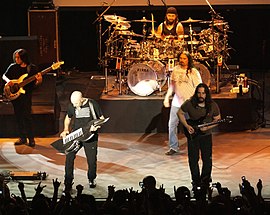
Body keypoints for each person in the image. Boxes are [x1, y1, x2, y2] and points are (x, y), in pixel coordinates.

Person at [177, 83, 221, 190]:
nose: (201, 95)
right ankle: (196, 182)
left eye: (203, 93)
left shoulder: (212, 105)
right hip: (193, 136)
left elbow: (218, 119)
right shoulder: (190, 103)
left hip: (206, 136)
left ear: (207, 94)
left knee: (207, 159)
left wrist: (208, 128)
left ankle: (205, 181)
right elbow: (180, 113)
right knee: (193, 159)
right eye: (199, 93)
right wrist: (187, 126)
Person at [60, 91, 105, 191]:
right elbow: (68, 117)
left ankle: (92, 179)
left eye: (76, 103)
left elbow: (101, 119)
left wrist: (96, 126)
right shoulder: (73, 105)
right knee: (69, 157)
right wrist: (65, 129)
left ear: (81, 99)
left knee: (91, 160)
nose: (74, 105)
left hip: (90, 136)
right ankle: (68, 182)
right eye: (73, 104)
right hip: (77, 135)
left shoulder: (92, 104)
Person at [163, 51, 202, 155]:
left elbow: (199, 87)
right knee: (172, 125)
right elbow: (172, 85)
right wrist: (167, 97)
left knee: (194, 125)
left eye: (184, 58)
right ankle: (173, 147)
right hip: (177, 102)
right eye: (180, 58)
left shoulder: (193, 72)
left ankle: (196, 146)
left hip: (190, 103)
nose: (182, 60)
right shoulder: (175, 70)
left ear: (188, 59)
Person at [2, 48, 42, 147]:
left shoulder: (31, 68)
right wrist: (8, 81)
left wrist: (39, 80)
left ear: (23, 58)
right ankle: (22, 137)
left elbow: (37, 85)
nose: (16, 59)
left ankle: (31, 139)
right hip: (15, 96)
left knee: (27, 117)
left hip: (26, 95)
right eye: (15, 57)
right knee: (18, 117)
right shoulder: (12, 67)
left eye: (18, 57)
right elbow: (4, 76)